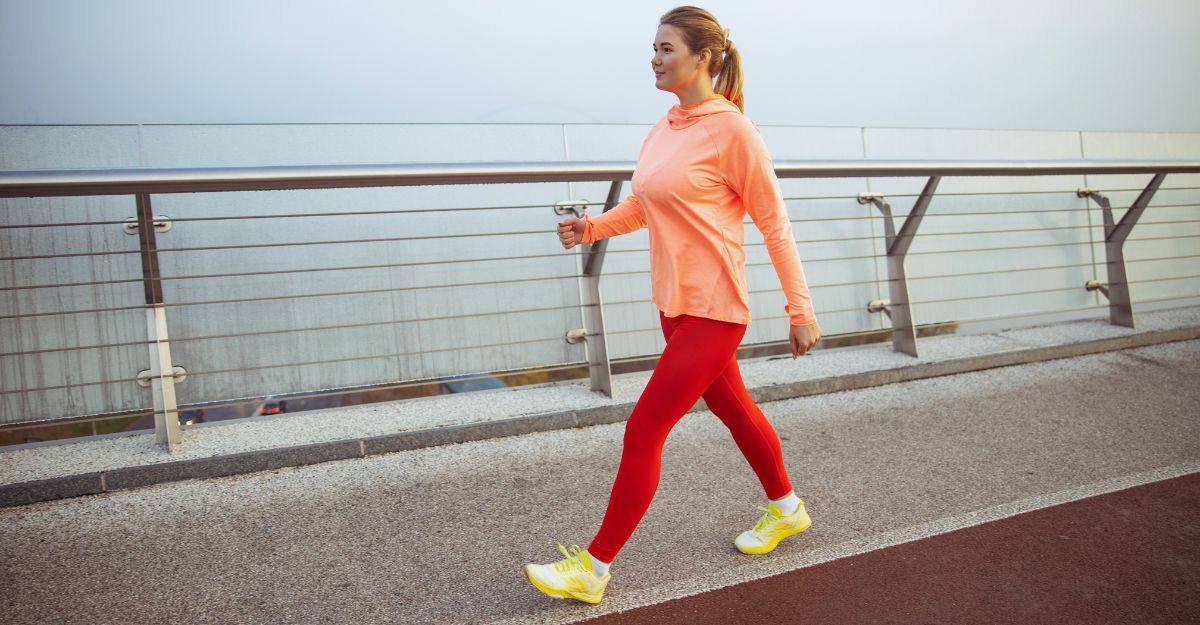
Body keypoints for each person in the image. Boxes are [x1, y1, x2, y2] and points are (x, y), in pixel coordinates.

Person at [524, 5, 821, 605]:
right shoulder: (664, 129)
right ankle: (787, 508)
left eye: (666, 49)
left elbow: (774, 224)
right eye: (653, 49)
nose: (654, 59)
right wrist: (592, 228)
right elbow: (645, 205)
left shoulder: (734, 131)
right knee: (735, 409)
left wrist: (800, 310)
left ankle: (594, 566)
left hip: (716, 310)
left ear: (702, 57)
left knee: (644, 429)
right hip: (675, 305)